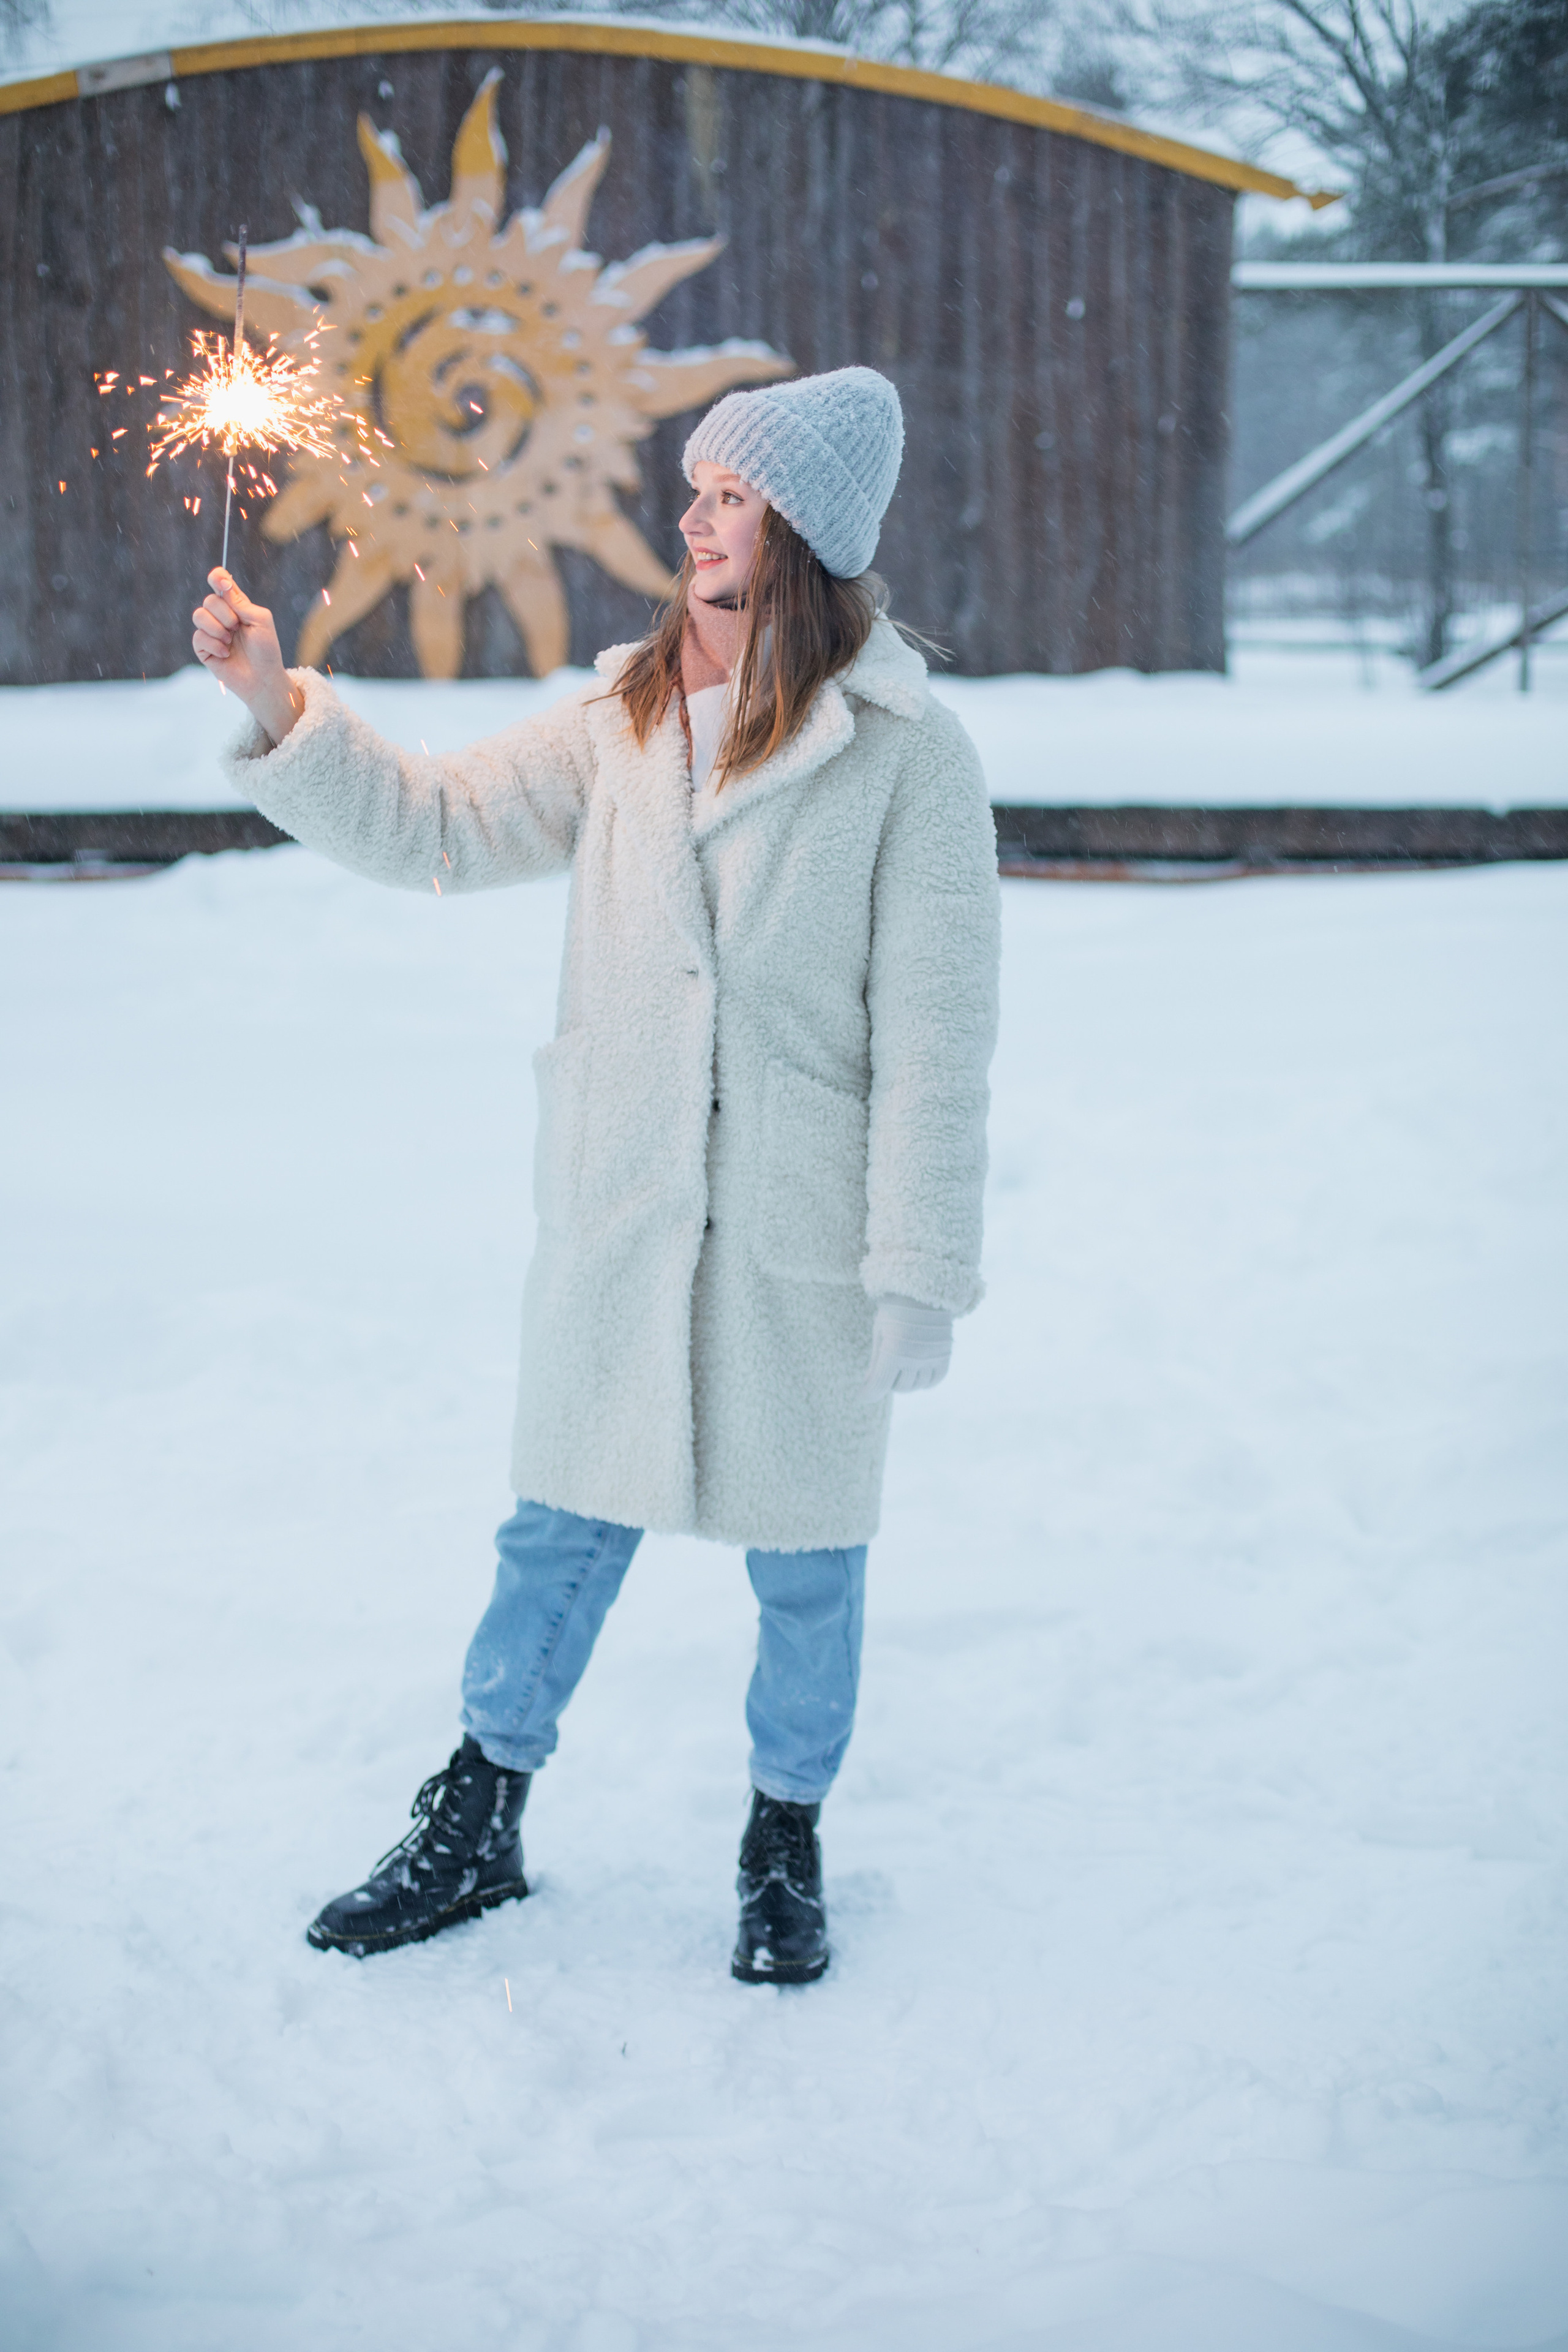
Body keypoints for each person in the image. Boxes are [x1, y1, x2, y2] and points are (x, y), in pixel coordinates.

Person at [192, 366, 1001, 1986]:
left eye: (726, 493)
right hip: (627, 1212)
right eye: (695, 488)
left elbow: (935, 1037)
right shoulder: (624, 715)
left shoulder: (911, 756)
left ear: (801, 531)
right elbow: (435, 825)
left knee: (811, 1565)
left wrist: (918, 1265)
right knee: (558, 1532)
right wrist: (283, 707)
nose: (689, 516)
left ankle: (785, 1839)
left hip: (802, 1233)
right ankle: (479, 1813)